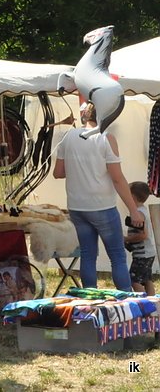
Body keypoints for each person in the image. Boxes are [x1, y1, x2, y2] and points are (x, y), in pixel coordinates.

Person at [52, 101, 144, 291]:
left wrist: (80, 168)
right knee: (117, 256)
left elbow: (58, 173)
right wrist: (134, 211)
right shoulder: (106, 138)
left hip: (77, 206)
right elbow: (118, 179)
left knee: (87, 254)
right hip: (102, 206)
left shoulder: (68, 136)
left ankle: (91, 301)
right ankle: (126, 301)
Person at [125, 181, 155, 295]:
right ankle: (154, 305)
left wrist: (126, 239)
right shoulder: (143, 209)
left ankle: (144, 302)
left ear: (132, 196)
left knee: (134, 280)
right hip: (149, 252)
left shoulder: (138, 213)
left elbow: (143, 235)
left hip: (142, 254)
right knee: (147, 280)